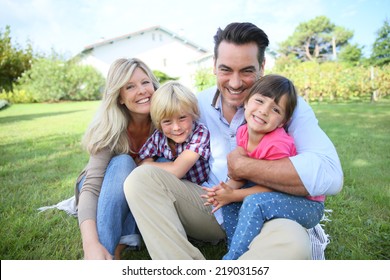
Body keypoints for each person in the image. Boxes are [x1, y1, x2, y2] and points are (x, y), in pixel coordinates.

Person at [123, 22, 343, 260]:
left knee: (295, 244)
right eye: (226, 70)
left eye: (247, 71)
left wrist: (244, 167)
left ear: (262, 67)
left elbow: (330, 176)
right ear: (214, 66)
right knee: (140, 180)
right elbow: (162, 125)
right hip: (210, 205)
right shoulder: (197, 104)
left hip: (265, 212)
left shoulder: (288, 108)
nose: (236, 83)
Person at [202, 74, 325, 260]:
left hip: (306, 204)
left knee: (253, 202)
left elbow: (276, 184)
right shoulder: (243, 132)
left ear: (282, 121)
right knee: (228, 203)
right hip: (275, 194)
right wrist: (226, 190)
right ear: (246, 102)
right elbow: (241, 173)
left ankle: (231, 260)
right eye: (259, 100)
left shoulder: (277, 144)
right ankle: (235, 248)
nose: (264, 111)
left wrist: (235, 194)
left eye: (275, 109)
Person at [75, 58, 159, 260]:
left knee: (152, 171)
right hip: (99, 184)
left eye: (145, 82)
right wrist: (90, 244)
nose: (142, 91)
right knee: (123, 162)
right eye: (130, 86)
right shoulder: (109, 128)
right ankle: (103, 252)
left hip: (135, 189)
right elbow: (91, 188)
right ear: (119, 97)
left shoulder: (164, 122)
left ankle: (118, 247)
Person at [138, 81, 210, 185]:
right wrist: (145, 162)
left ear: (192, 114)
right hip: (171, 188)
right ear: (159, 122)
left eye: (182, 118)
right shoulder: (159, 136)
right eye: (167, 121)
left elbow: (177, 170)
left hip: (197, 191)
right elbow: (140, 161)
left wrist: (147, 165)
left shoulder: (200, 133)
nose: (176, 128)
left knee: (155, 165)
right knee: (157, 162)